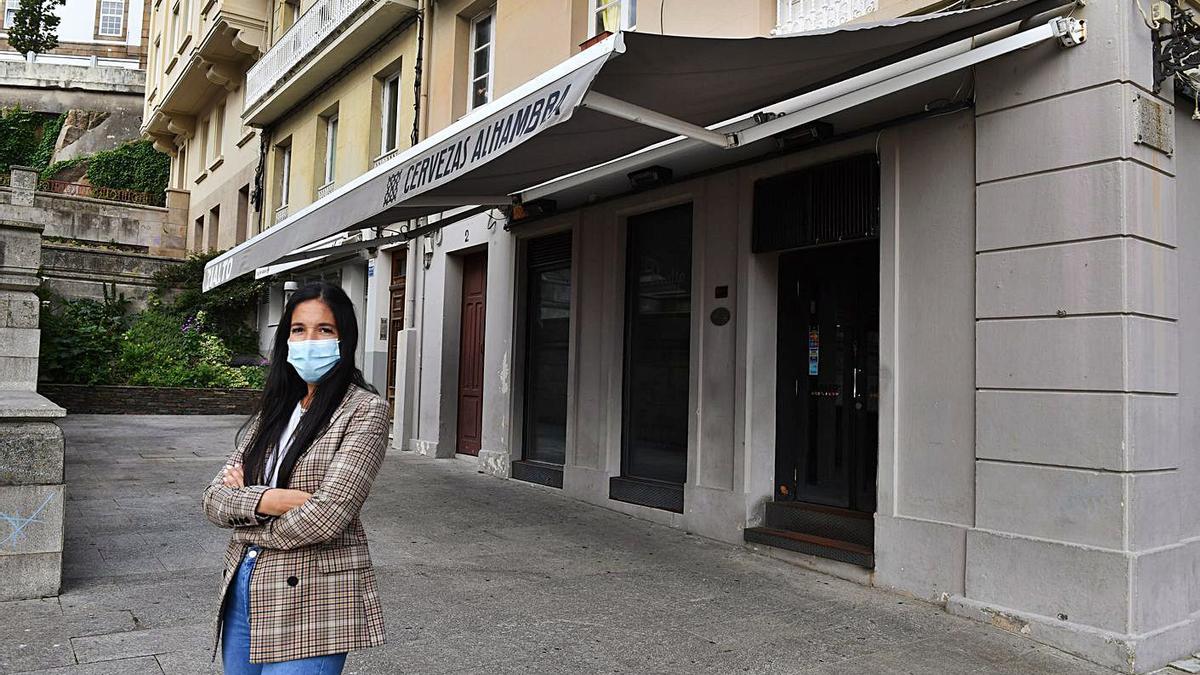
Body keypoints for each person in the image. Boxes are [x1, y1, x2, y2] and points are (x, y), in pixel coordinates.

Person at [202, 281, 389, 674]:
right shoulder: (277, 408)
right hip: (244, 584)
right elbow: (213, 499)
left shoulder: (365, 410)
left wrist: (247, 511)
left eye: (325, 329)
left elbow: (328, 516)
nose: (309, 340)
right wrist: (273, 499)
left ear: (344, 339)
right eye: (298, 329)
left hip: (313, 595)